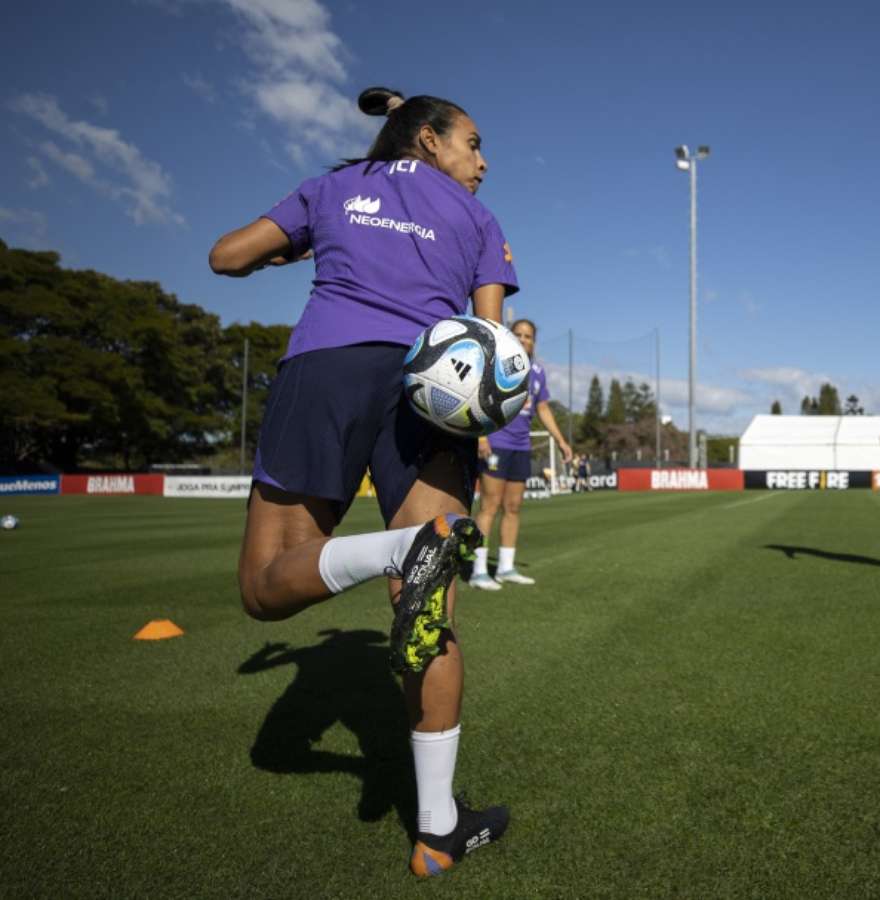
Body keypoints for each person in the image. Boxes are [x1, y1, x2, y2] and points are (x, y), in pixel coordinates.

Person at [208, 86, 516, 877]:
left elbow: (226, 256)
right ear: (428, 139)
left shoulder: (332, 186)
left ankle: (390, 551)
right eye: (473, 142)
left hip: (327, 371)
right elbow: (485, 337)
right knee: (430, 616)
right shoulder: (480, 220)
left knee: (264, 590)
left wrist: (296, 246)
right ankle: (437, 831)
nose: (483, 162)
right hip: (431, 396)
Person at [470, 319, 572, 590]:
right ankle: (478, 570)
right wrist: (481, 436)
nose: (524, 339)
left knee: (513, 507)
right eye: (519, 334)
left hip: (521, 446)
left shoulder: (537, 373)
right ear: (510, 336)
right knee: (489, 506)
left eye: (528, 336)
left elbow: (543, 409)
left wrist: (561, 441)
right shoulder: (496, 365)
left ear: (534, 342)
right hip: (496, 443)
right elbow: (475, 398)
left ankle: (505, 568)